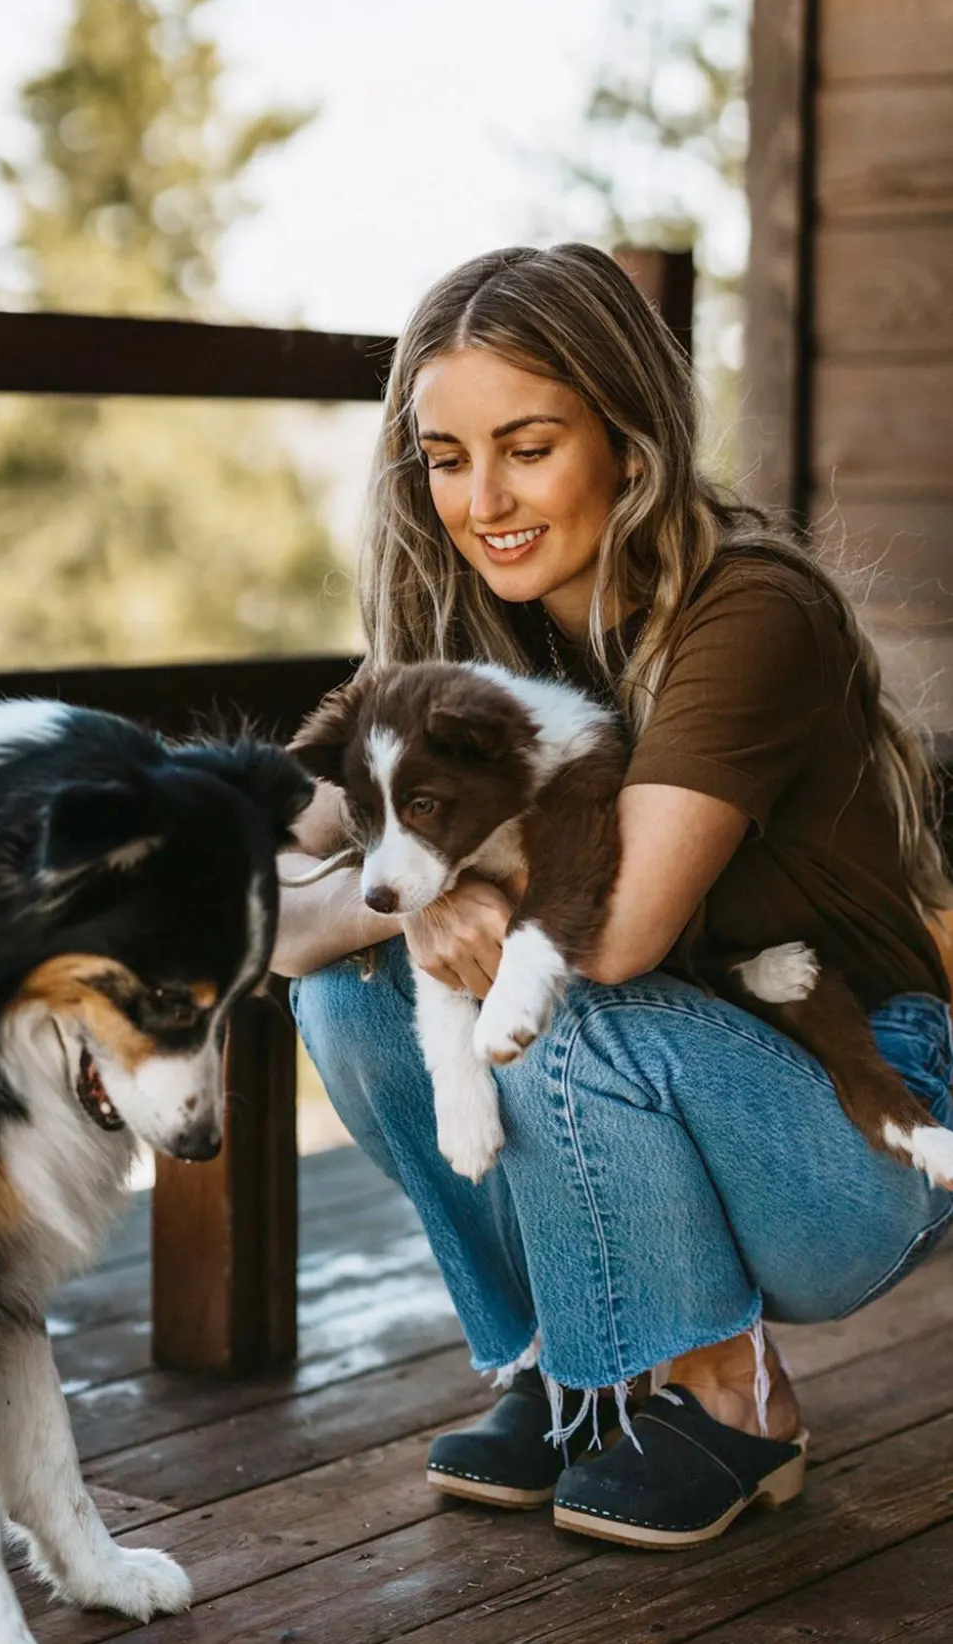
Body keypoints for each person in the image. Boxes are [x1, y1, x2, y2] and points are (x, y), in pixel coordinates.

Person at [272, 244, 953, 1549]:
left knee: (551, 979)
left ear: (629, 440)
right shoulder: (455, 637)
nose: (483, 499)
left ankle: (733, 1400)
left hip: (862, 1120)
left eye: (528, 447)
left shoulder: (750, 610)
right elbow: (290, 892)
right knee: (364, 993)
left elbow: (621, 928)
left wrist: (413, 900)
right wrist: (405, 904)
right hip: (677, 1069)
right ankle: (567, 1367)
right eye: (448, 458)